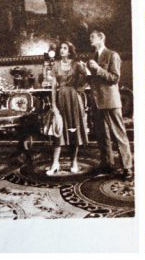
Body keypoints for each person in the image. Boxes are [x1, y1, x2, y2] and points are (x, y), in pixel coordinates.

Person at [87, 30, 133, 181]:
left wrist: (97, 69)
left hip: (110, 101)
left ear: (101, 38)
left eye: (92, 37)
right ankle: (107, 164)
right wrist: (86, 73)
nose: (90, 39)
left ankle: (127, 168)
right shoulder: (93, 57)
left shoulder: (112, 55)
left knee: (119, 134)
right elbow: (95, 80)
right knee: (101, 134)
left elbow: (114, 78)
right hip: (97, 101)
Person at [46, 41, 90, 176]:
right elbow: (53, 87)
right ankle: (55, 163)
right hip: (60, 99)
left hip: (74, 100)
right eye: (61, 48)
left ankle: (74, 162)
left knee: (74, 130)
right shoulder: (56, 65)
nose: (62, 50)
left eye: (65, 48)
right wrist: (53, 105)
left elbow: (88, 77)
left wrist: (80, 89)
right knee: (58, 130)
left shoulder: (76, 64)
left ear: (70, 51)